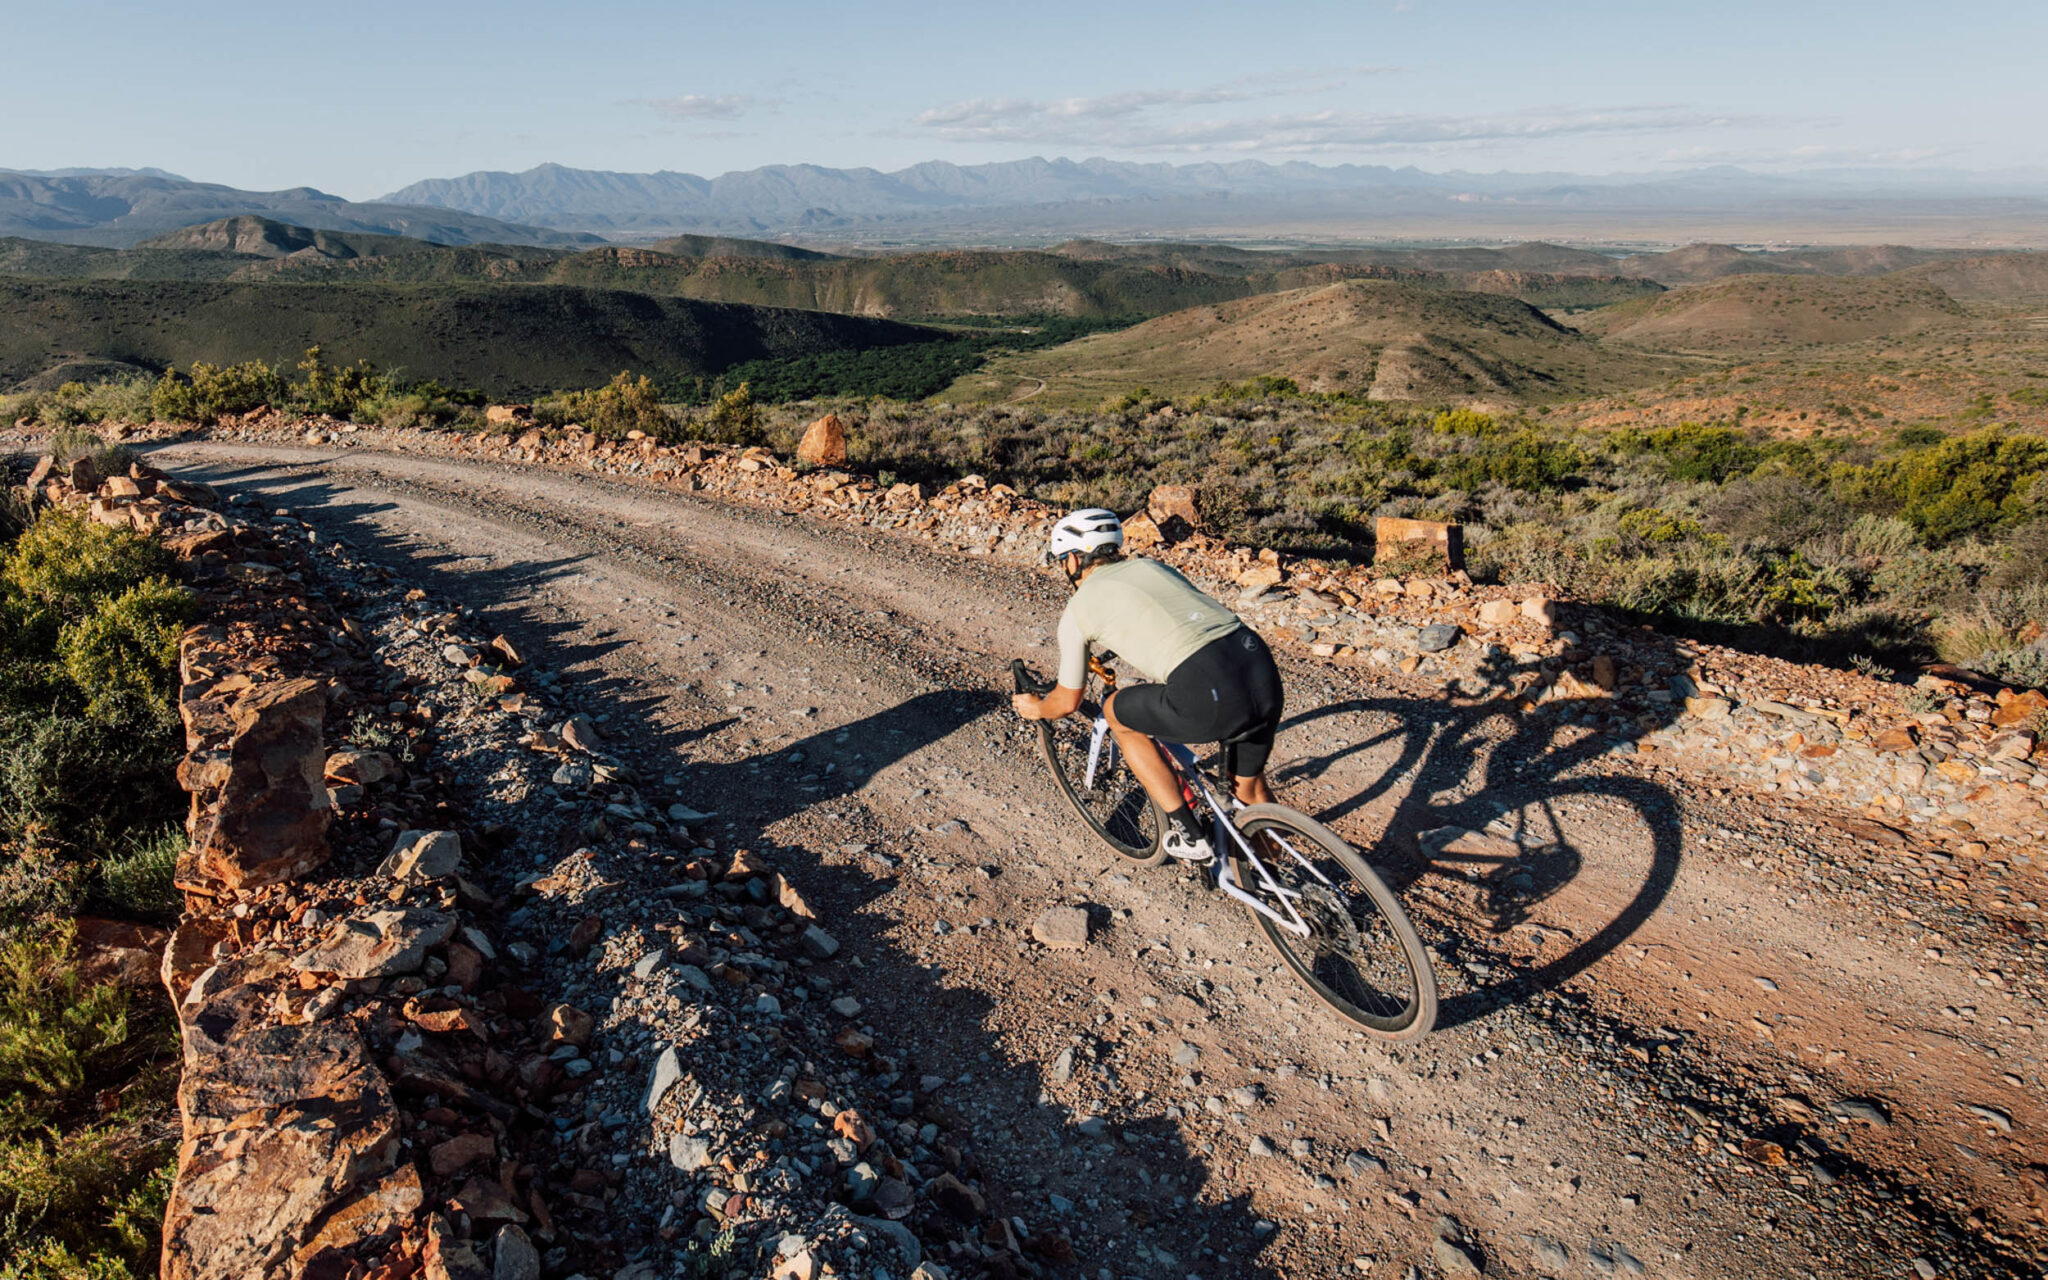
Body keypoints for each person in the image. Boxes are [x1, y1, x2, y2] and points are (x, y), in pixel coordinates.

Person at [1012, 508, 1284, 861]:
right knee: (1247, 789)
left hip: (1207, 687)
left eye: (1062, 559)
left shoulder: (1079, 609)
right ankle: (1278, 882)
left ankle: (1189, 833)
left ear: (1074, 559)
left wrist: (1036, 708)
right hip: (1257, 666)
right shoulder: (1152, 567)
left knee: (1115, 713)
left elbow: (1066, 703)